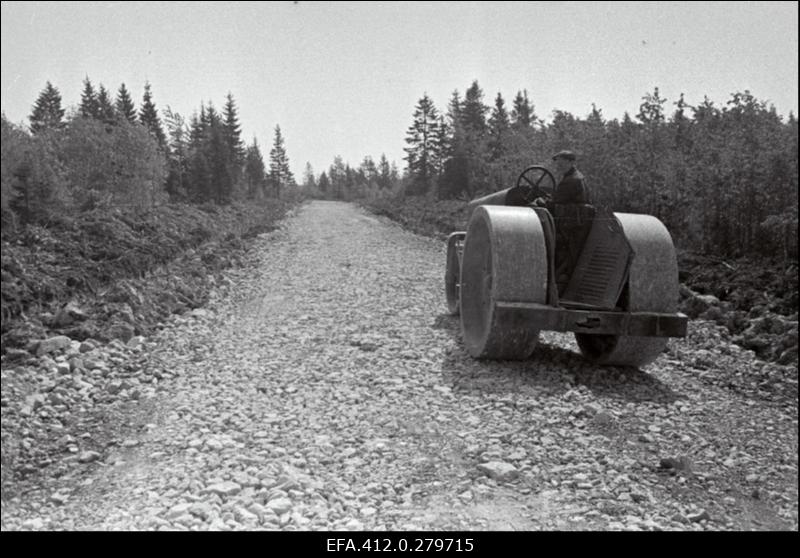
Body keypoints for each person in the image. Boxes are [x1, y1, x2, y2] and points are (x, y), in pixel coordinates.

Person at [548, 150, 592, 292]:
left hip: (570, 226)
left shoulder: (571, 181)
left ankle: (557, 282)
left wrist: (540, 202)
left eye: (561, 162)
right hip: (577, 223)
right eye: (557, 162)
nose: (558, 165)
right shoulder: (578, 177)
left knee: (553, 245)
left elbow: (556, 202)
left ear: (570, 162)